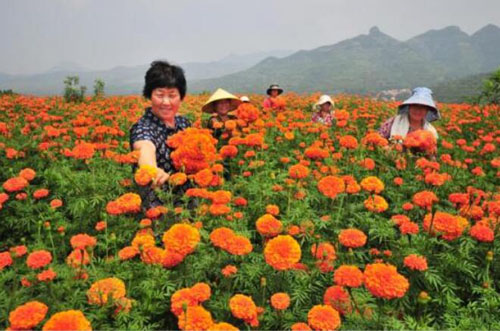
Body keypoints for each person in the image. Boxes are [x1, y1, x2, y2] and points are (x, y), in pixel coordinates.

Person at [129, 60, 191, 210]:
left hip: (188, 205)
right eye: (160, 94)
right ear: (149, 95)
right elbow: (144, 147)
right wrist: (152, 170)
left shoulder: (185, 124)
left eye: (172, 95)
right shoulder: (143, 128)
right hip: (159, 209)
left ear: (181, 97)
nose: (166, 102)